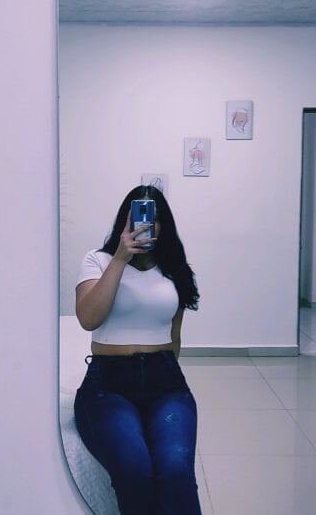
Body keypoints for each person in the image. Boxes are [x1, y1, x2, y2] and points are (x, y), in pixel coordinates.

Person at [74, 185, 201, 515]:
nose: (146, 225)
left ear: (163, 226)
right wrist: (120, 258)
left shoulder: (174, 270)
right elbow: (89, 318)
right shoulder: (98, 260)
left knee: (175, 470)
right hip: (108, 385)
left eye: (154, 218)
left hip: (165, 383)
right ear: (125, 220)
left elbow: (174, 336)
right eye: (139, 217)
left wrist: (164, 375)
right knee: (135, 470)